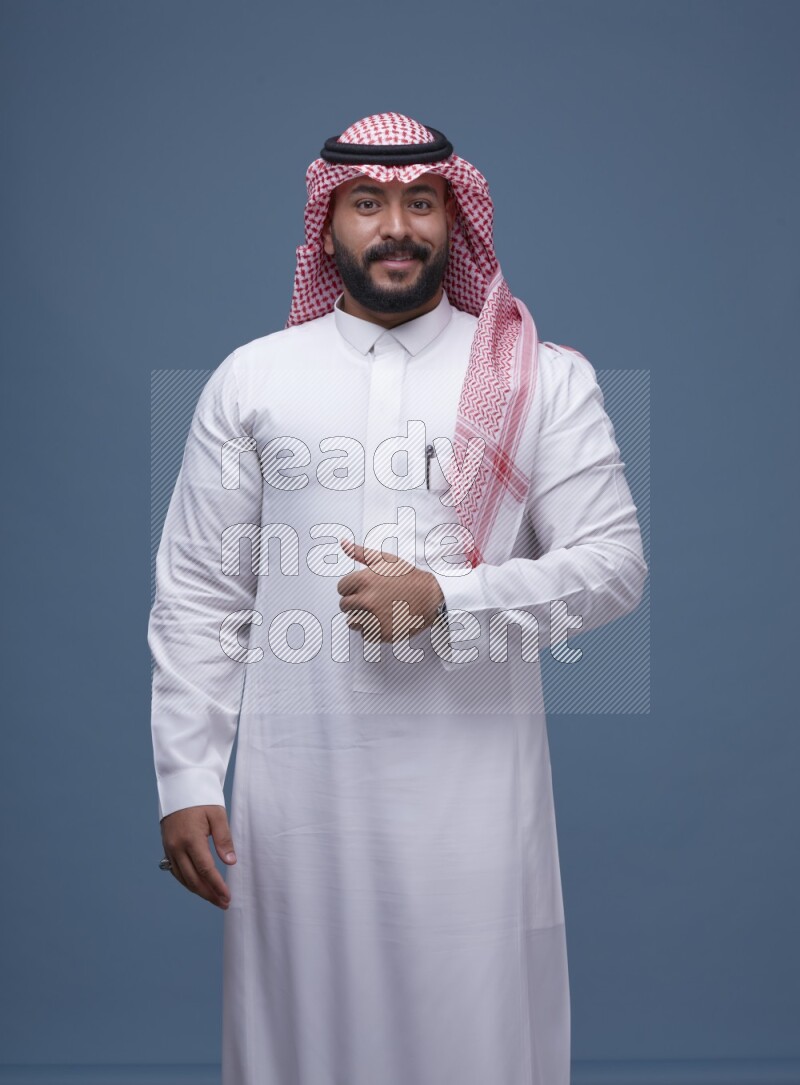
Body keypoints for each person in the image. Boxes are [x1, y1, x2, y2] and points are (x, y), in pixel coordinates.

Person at [148, 112, 648, 1085]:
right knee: (302, 1035)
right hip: (299, 791)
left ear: (453, 220)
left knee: (473, 1030)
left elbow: (612, 567)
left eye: (420, 203)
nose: (396, 226)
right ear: (323, 226)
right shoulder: (253, 379)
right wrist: (187, 776)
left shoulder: (538, 378)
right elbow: (200, 591)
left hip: (473, 794)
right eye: (366, 203)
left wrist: (445, 600)